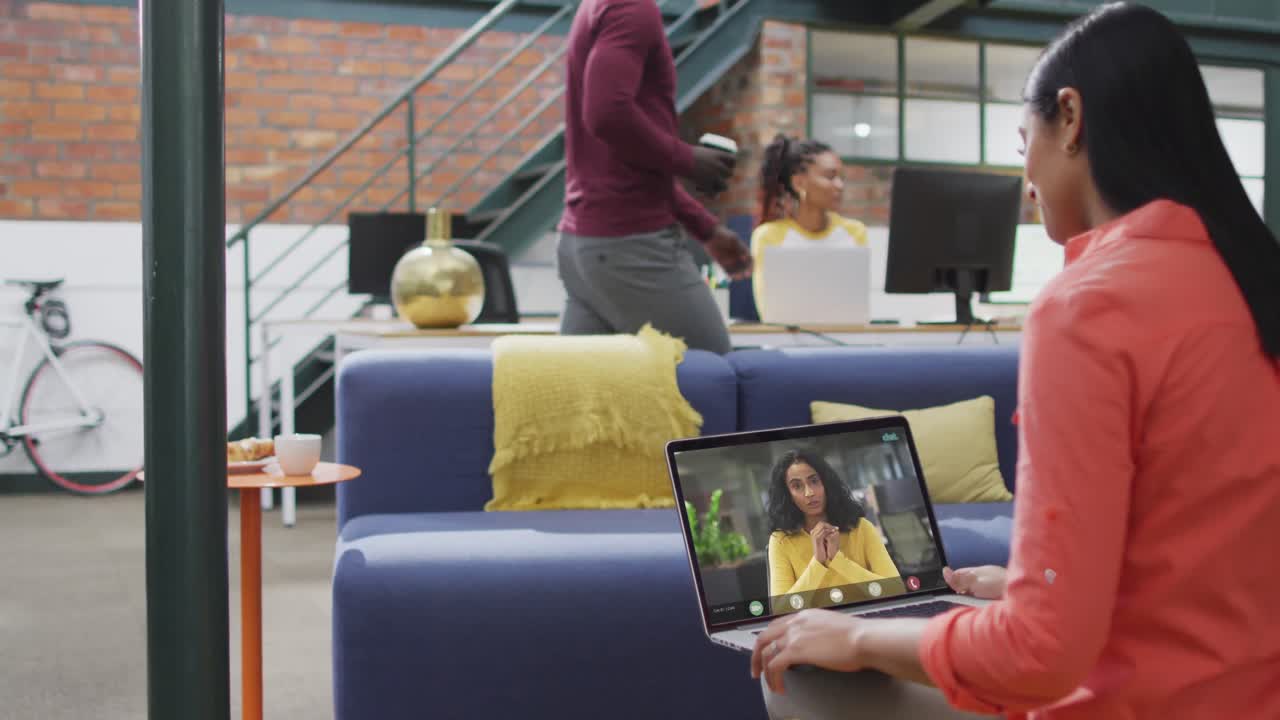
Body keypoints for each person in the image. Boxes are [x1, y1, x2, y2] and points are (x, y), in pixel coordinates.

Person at [750, 4, 1280, 719]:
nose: (1023, 174)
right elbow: (1207, 557)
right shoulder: (1248, 282)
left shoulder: (1087, 308)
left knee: (804, 671)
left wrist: (858, 637)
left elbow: (1037, 655)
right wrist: (1045, 588)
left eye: (1023, 139)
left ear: (1071, 117)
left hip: (1136, 702)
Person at [556, 0, 752, 355]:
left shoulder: (598, 5)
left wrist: (705, 228)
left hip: (583, 246)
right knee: (713, 380)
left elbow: (621, 160)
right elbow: (606, 114)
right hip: (629, 248)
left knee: (588, 402)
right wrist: (688, 159)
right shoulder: (632, 6)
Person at [750, 135, 869, 318]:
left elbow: (857, 308)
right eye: (830, 177)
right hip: (787, 342)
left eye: (841, 177)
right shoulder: (769, 236)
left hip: (846, 341)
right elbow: (768, 312)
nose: (840, 185)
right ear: (799, 183)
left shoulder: (855, 232)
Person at [766, 449, 900, 602]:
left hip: (865, 622)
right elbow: (781, 610)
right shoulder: (780, 540)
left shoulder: (862, 527)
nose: (809, 492)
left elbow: (896, 589)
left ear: (826, 483)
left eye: (814, 481)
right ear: (787, 494)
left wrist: (838, 560)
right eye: (797, 486)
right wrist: (818, 562)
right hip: (816, 624)